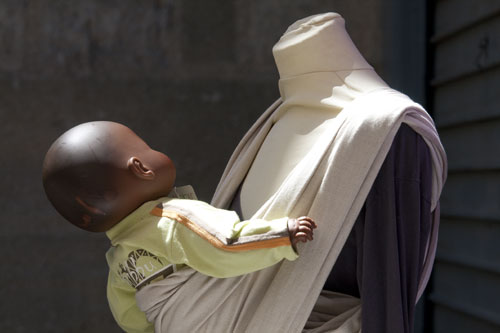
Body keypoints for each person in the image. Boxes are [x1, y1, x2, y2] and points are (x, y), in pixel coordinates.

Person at [42, 120, 317, 333]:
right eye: (147, 146)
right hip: (223, 321)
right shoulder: (173, 218)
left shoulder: (119, 260)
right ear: (141, 167)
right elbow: (223, 246)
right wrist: (281, 236)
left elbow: (130, 317)